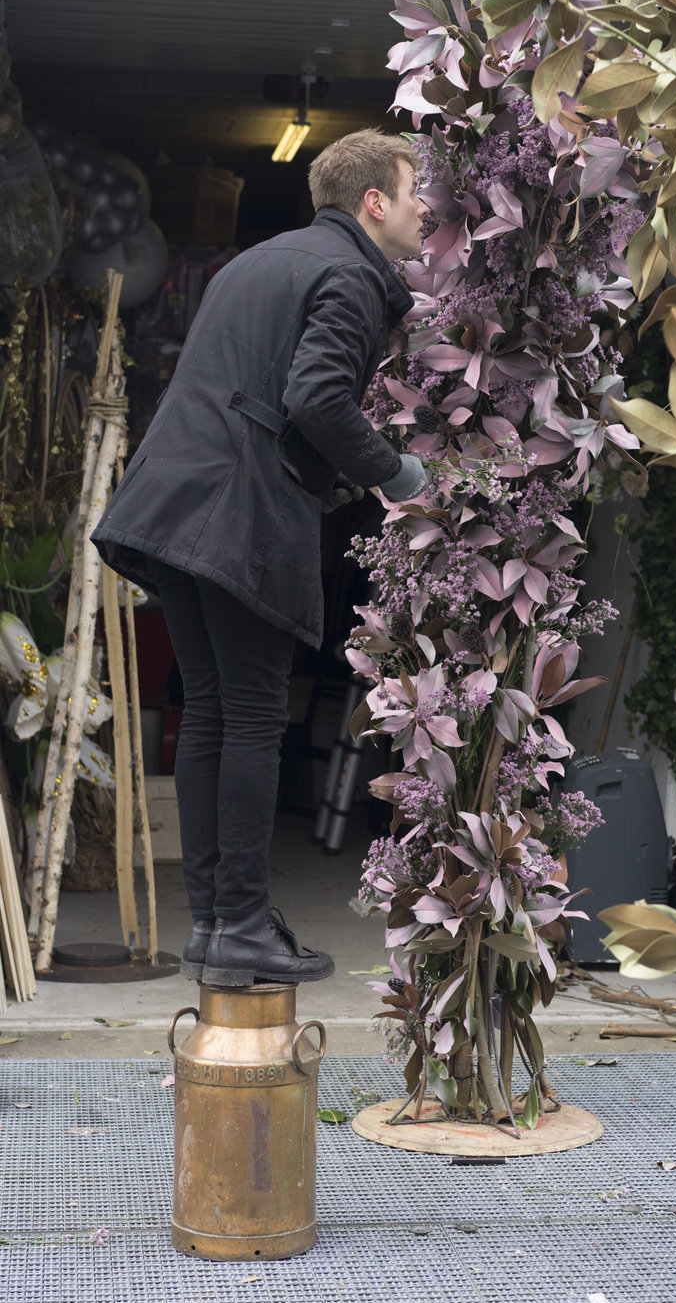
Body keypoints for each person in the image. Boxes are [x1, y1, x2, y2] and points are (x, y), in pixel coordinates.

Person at [92, 128, 429, 988]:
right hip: (236, 513)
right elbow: (315, 396)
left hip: (175, 500)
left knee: (209, 710)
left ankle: (215, 925)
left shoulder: (258, 260)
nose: (428, 205)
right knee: (246, 714)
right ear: (373, 203)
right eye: (414, 186)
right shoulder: (351, 275)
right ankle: (238, 924)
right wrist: (397, 474)